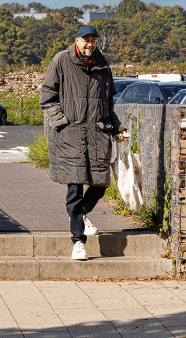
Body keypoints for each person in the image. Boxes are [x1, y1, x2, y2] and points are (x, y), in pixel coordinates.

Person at [40, 24, 127, 261]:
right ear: (77, 40)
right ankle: (78, 242)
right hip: (71, 135)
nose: (90, 44)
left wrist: (117, 127)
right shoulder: (61, 61)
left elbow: (107, 103)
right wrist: (62, 121)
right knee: (75, 186)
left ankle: (78, 214)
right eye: (85, 40)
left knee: (100, 183)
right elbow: (47, 97)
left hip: (98, 134)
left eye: (93, 40)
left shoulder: (103, 64)